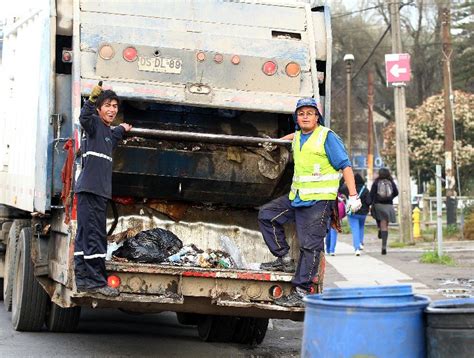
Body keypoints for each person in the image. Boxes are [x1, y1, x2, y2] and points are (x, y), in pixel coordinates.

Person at [258, 98, 361, 307]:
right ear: (297, 118)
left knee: (310, 245)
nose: (305, 116)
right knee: (267, 215)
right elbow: (290, 138)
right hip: (297, 197)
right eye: (301, 113)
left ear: (317, 117)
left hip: (319, 202)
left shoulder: (326, 137)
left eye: (309, 113)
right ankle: (284, 259)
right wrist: (274, 143)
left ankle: (302, 291)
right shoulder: (298, 137)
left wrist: (353, 195)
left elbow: (345, 166)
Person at [74, 83, 132, 296]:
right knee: (94, 237)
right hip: (91, 191)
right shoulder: (94, 124)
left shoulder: (107, 133)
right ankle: (96, 283)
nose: (112, 109)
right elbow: (84, 118)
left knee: (83, 237)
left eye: (115, 106)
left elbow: (115, 133)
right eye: (107, 105)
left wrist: (123, 129)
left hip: (94, 192)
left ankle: (82, 279)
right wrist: (90, 101)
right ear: (99, 109)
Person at [368, 168, 399, 255]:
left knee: (380, 222)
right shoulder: (391, 182)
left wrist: (371, 202)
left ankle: (380, 229)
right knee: (385, 225)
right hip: (388, 206)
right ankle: (384, 246)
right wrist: (390, 198)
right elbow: (396, 192)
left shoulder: (376, 182)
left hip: (378, 205)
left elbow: (372, 194)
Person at [341, 173, 370, 256]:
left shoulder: (348, 189)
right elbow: (369, 201)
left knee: (355, 229)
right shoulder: (365, 189)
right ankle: (360, 243)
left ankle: (357, 248)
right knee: (361, 227)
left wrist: (344, 177)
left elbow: (339, 188)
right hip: (363, 213)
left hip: (353, 213)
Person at [326, 179, 346, 256]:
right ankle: (332, 250)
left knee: (328, 232)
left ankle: (328, 249)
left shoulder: (326, 190)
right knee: (334, 231)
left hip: (327, 212)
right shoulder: (340, 192)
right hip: (336, 213)